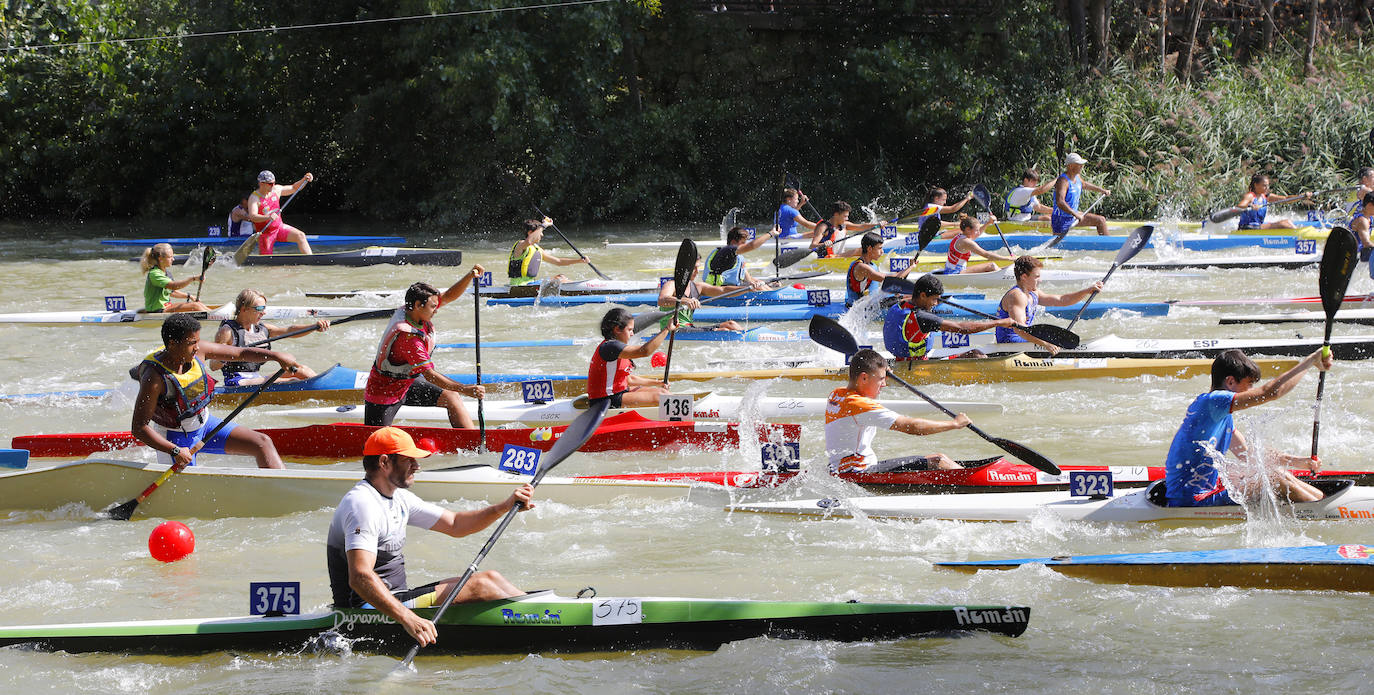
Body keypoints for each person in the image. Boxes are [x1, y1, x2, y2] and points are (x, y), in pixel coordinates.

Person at [327, 426, 532, 646]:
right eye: (409, 460)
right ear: (384, 462)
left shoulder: (399, 498)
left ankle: (544, 611)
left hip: (397, 597)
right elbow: (360, 577)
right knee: (482, 586)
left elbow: (455, 524)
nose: (417, 466)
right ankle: (548, 622)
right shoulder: (362, 505)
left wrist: (504, 507)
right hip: (365, 612)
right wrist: (409, 619)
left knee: (492, 578)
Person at [1162, 348, 1332, 507]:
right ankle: (1326, 512)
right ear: (1230, 381)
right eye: (1249, 383)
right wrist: (1310, 361)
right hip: (1189, 500)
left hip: (1205, 491)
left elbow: (1250, 454)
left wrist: (1298, 461)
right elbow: (1269, 393)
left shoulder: (1220, 415)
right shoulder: (1213, 401)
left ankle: (1324, 503)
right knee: (1274, 480)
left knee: (1279, 473)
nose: (1251, 390)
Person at [130, 313, 300, 469]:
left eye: (197, 341)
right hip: (175, 439)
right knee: (188, 486)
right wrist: (175, 451)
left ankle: (280, 490)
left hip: (205, 425)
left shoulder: (199, 350)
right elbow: (139, 428)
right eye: (191, 343)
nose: (197, 347)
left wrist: (276, 356)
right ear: (173, 343)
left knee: (262, 443)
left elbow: (240, 353)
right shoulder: (154, 378)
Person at [364, 268, 487, 428]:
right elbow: (429, 375)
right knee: (378, 442)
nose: (436, 310)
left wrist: (469, 276)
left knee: (451, 395)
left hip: (409, 382)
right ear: (417, 305)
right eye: (433, 307)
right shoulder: (409, 338)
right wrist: (466, 389)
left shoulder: (411, 309)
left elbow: (449, 295)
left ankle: (472, 442)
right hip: (385, 392)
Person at [825, 348, 970, 473]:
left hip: (840, 469)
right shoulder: (861, 406)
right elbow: (912, 427)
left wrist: (879, 372)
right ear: (863, 378)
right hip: (859, 472)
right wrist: (954, 424)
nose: (884, 384)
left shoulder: (836, 394)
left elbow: (863, 393)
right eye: (881, 379)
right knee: (938, 461)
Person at [209, 289, 329, 384]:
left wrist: (314, 327)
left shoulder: (262, 328)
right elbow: (213, 365)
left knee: (302, 370)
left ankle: (327, 388)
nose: (264, 312)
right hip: (237, 381)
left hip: (256, 378)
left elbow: (289, 330)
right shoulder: (227, 331)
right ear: (244, 309)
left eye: (264, 308)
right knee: (294, 381)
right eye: (259, 309)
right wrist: (225, 357)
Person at [883, 274, 1007, 360]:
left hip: (901, 361)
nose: (935, 304)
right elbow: (963, 328)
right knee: (976, 355)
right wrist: (998, 323)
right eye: (934, 299)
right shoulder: (921, 317)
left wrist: (933, 299)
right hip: (918, 366)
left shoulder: (898, 306)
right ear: (922, 295)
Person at [996, 256, 1101, 355]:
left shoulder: (1033, 292)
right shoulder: (1017, 296)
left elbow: (1062, 300)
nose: (1040, 280)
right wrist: (1045, 344)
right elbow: (1019, 329)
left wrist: (1087, 291)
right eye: (1036, 277)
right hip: (1009, 342)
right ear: (1024, 277)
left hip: (1023, 338)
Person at [588, 307, 675, 408]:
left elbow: (629, 379)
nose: (632, 334)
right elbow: (644, 351)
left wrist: (657, 383)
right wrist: (667, 329)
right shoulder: (610, 347)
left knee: (662, 392)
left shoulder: (621, 349)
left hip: (619, 392)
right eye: (629, 330)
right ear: (617, 329)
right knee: (661, 397)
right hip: (604, 400)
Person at [659, 252, 759, 332]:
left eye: (698, 267)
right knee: (723, 331)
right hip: (673, 329)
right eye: (694, 268)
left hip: (689, 327)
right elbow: (662, 300)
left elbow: (724, 290)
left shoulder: (698, 287)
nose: (697, 271)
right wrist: (684, 301)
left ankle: (749, 339)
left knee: (731, 324)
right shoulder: (671, 284)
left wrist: (747, 288)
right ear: (684, 268)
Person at [245, 170, 314, 255]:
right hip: (265, 234)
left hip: (279, 228)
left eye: (274, 183)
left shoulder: (276, 190)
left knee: (300, 236)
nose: (273, 185)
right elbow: (253, 216)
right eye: (270, 184)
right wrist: (268, 217)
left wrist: (304, 179)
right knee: (267, 261)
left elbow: (294, 188)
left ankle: (311, 259)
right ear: (261, 184)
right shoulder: (254, 198)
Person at [508, 217, 590, 286]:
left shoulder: (537, 249)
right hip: (518, 287)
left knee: (561, 276)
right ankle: (584, 287)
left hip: (530, 285)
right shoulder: (520, 245)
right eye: (540, 232)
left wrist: (579, 261)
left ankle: (582, 286)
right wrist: (543, 225)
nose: (542, 235)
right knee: (559, 279)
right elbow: (529, 241)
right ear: (530, 233)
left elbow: (558, 261)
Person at [845, 232, 914, 308]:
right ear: (869, 249)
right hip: (858, 309)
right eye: (880, 248)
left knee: (906, 295)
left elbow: (885, 283)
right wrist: (911, 267)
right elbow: (893, 279)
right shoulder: (862, 267)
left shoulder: (871, 265)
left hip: (867, 304)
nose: (882, 252)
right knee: (911, 298)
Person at [1051, 153, 1111, 237]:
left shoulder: (1077, 177)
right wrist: (1075, 214)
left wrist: (1102, 190)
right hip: (1061, 219)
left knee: (1100, 220)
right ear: (1071, 166)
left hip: (1072, 216)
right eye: (1079, 164)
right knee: (1058, 245)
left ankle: (1108, 244)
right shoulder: (1063, 181)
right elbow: (1060, 202)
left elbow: (1085, 185)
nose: (1082, 166)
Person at [140, 243, 210, 314]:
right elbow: (174, 286)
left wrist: (190, 296)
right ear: (160, 258)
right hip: (156, 311)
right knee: (195, 307)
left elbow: (172, 292)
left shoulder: (166, 272)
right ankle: (215, 316)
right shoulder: (155, 274)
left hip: (166, 307)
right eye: (170, 257)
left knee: (199, 305)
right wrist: (193, 279)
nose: (173, 259)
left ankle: (213, 314)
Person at [702, 227, 774, 291]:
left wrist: (764, 282)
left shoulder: (738, 256)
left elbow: (747, 277)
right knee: (758, 288)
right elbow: (752, 245)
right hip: (716, 289)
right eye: (742, 243)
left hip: (731, 288)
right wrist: (771, 233)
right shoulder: (727, 251)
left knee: (762, 286)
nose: (745, 245)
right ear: (733, 242)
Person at [808, 201, 887, 259]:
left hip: (839, 256)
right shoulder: (823, 227)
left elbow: (861, 226)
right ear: (836, 215)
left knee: (863, 250)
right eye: (845, 216)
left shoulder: (844, 225)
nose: (847, 218)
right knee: (860, 251)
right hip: (827, 258)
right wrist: (824, 244)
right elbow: (812, 246)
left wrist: (877, 225)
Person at [1231, 174, 1310, 230]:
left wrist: (1301, 197)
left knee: (1287, 222)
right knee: (1283, 224)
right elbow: (1239, 206)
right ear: (1256, 185)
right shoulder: (1250, 196)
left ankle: (1298, 232)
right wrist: (1251, 205)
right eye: (1264, 185)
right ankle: (1299, 235)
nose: (1267, 188)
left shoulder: (1265, 196)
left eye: (1267, 185)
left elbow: (1286, 199)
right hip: (1246, 228)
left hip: (1258, 226)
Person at [943, 214, 1014, 274]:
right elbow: (987, 255)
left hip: (951, 270)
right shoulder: (966, 242)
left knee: (1000, 268)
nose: (978, 232)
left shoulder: (961, 236)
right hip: (955, 272)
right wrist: (1008, 258)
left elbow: (977, 234)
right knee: (991, 266)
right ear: (968, 229)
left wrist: (988, 223)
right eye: (976, 230)